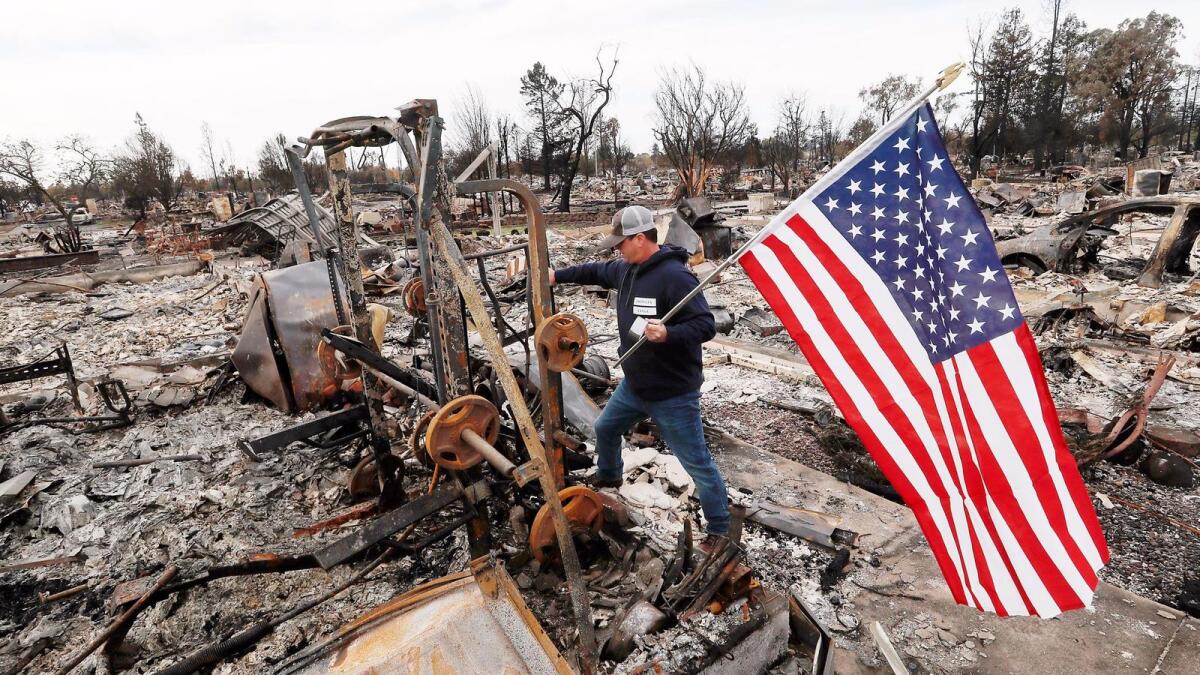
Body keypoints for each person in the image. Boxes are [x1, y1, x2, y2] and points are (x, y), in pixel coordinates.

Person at [551, 205, 731, 547]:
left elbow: (706, 324)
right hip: (636, 385)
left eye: (621, 242)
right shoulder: (625, 270)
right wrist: (556, 277)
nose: (617, 249)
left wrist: (668, 334)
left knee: (697, 464)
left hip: (673, 392)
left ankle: (719, 529)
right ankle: (609, 481)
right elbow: (594, 271)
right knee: (605, 428)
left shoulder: (675, 277)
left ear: (639, 238)